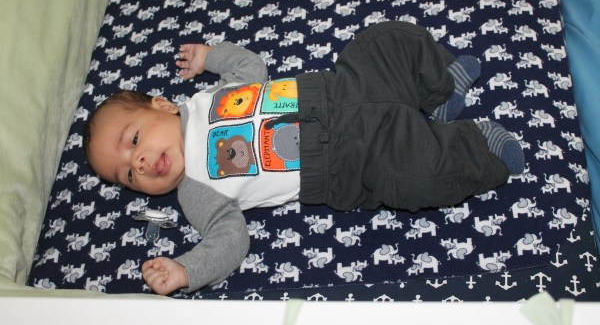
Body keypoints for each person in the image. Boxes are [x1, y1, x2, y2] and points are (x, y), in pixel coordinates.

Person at [83, 21, 525, 295]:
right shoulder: (196, 194)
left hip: (340, 86)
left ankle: (440, 92)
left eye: (134, 139)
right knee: (415, 179)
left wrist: (212, 56)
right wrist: (186, 269)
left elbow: (253, 69)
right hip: (349, 159)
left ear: (162, 105)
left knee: (384, 40)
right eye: (127, 176)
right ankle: (479, 147)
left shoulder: (204, 99)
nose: (139, 163)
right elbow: (230, 241)